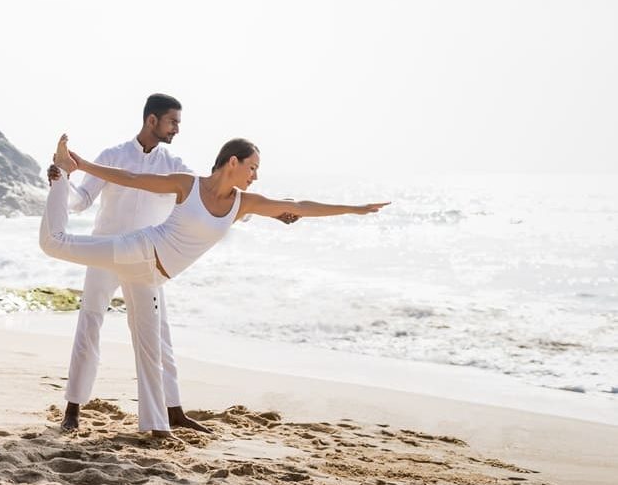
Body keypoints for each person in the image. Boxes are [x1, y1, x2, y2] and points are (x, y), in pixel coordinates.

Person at [41, 134, 388, 435]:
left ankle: (157, 426)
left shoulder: (242, 204)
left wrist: (355, 209)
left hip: (153, 275)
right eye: (252, 167)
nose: (256, 175)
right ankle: (60, 175)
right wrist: (79, 164)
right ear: (232, 162)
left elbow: (298, 206)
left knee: (151, 349)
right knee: (53, 242)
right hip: (137, 250)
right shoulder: (187, 184)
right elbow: (131, 178)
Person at [48, 94, 202, 435]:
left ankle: (173, 410)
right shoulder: (113, 156)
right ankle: (72, 409)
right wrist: (62, 181)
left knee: (160, 335)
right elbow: (81, 201)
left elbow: (206, 198)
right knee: (89, 324)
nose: (177, 128)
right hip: (105, 251)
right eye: (172, 121)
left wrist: (261, 211)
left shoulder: (174, 165)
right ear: (152, 120)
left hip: (145, 259)